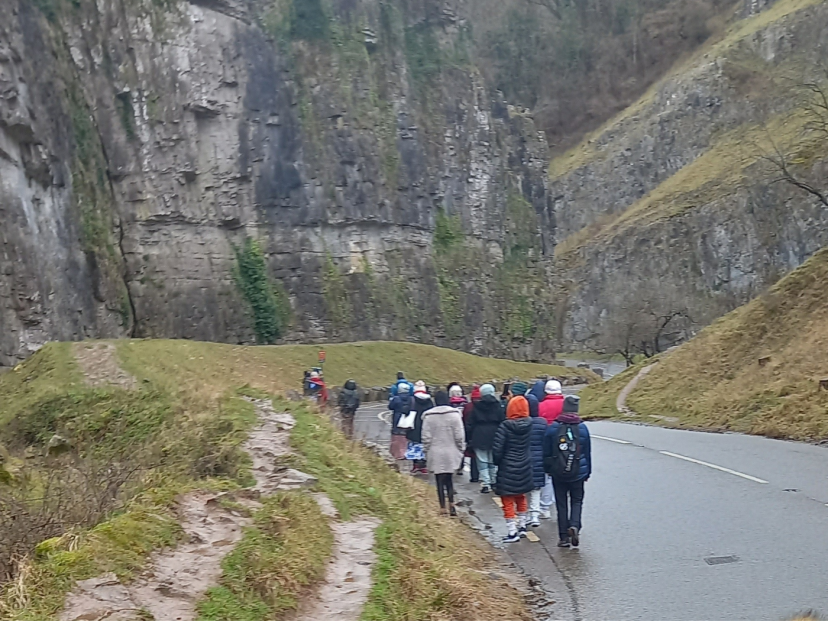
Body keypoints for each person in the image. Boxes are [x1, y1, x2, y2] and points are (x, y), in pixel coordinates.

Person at [544, 395, 592, 548]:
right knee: (577, 500)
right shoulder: (583, 428)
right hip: (578, 472)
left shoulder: (553, 428)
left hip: (558, 472)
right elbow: (587, 453)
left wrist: (548, 469)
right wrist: (587, 472)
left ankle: (563, 538)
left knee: (561, 503)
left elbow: (546, 452)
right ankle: (575, 525)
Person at [492, 392, 534, 543]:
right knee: (521, 495)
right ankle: (522, 525)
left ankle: (512, 531)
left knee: (507, 498)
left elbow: (498, 449)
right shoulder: (530, 424)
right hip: (525, 465)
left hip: (508, 466)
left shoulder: (505, 426)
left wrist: (497, 462)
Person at [421, 391, 466, 516]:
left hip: (435, 450)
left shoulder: (429, 417)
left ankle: (442, 507)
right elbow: (459, 435)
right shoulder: (455, 415)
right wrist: (461, 449)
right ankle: (451, 503)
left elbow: (426, 437)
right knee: (449, 478)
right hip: (451, 450)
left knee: (439, 479)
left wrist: (426, 450)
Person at [467, 383, 505, 493]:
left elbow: (470, 423)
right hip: (495, 433)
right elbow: (503, 421)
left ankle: (485, 483)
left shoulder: (476, 406)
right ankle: (494, 481)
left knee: (482, 460)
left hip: (479, 434)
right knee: (493, 459)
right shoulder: (498, 406)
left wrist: (469, 438)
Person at [526, 389, 548, 527]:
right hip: (539, 459)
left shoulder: (520, 423)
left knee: (523, 489)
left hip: (523, 458)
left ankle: (524, 516)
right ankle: (535, 515)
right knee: (536, 488)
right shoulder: (542, 423)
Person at [406, 381, 434, 474]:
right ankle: (424, 465)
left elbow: (406, 411)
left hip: (414, 426)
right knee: (425, 445)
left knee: (414, 445)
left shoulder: (412, 399)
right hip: (426, 425)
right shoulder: (429, 400)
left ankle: (415, 465)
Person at [388, 383, 413, 462]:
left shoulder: (396, 398)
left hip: (397, 418)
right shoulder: (411, 398)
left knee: (396, 435)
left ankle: (396, 453)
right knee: (405, 436)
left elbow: (390, 407)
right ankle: (404, 452)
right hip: (407, 418)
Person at [461, 385, 481, 483]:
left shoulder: (468, 407)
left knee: (472, 455)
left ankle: (474, 476)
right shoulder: (482, 407)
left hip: (471, 433)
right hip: (481, 433)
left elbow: (464, 420)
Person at [448, 384, 468, 475]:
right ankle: (460, 465)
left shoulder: (449, 403)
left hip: (452, 427)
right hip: (462, 426)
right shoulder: (465, 402)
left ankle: (455, 465)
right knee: (461, 446)